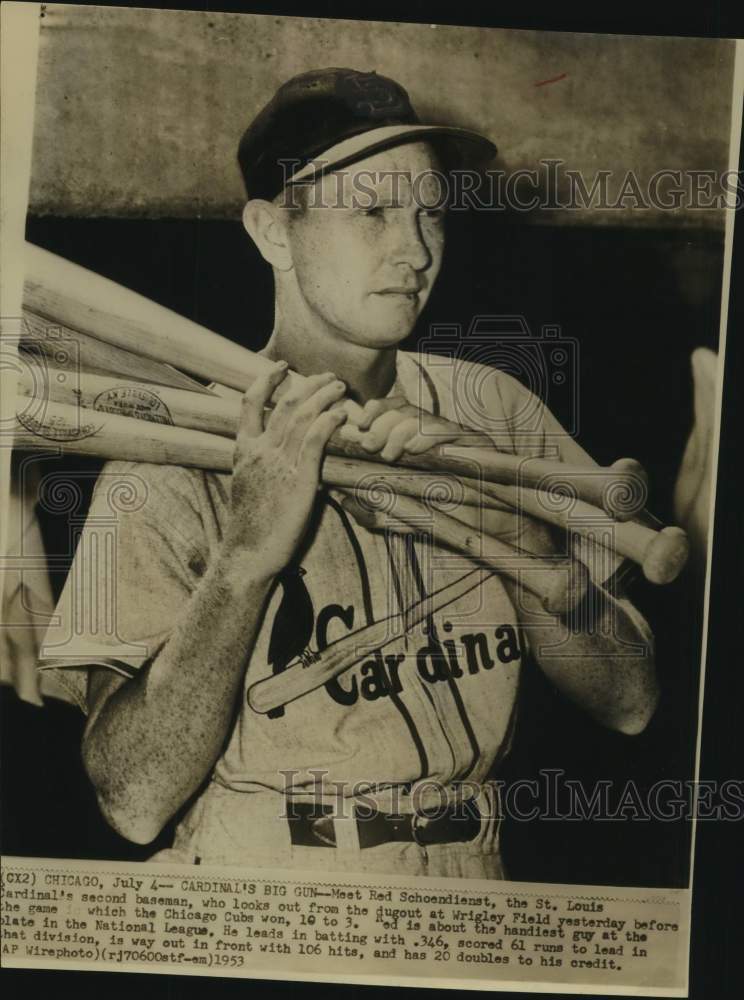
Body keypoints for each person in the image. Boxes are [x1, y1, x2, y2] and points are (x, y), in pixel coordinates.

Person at [40, 68, 658, 878]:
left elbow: (631, 701)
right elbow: (133, 801)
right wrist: (245, 559)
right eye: (371, 211)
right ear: (271, 231)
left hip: (475, 874)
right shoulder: (167, 458)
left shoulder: (494, 411)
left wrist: (518, 531)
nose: (416, 249)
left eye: (429, 211)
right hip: (267, 879)